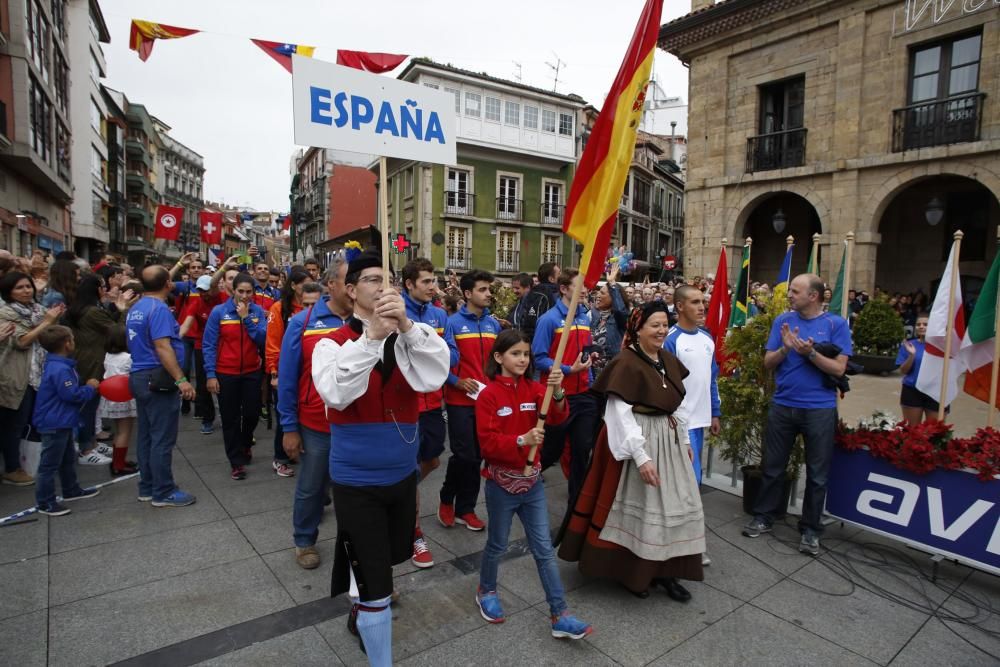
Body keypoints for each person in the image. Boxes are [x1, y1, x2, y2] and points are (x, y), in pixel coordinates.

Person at [311, 250, 449, 665]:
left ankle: (361, 605)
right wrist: (370, 337)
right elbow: (336, 393)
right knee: (377, 586)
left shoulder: (413, 337)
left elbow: (435, 373)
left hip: (401, 475)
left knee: (385, 562)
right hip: (357, 482)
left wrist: (404, 325)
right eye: (372, 279)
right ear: (351, 291)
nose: (382, 286)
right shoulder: (329, 344)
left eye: (387, 279)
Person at [558, 301, 705, 601]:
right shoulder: (626, 362)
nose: (662, 330)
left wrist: (686, 443)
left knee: (672, 509)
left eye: (665, 324)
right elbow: (620, 415)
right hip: (638, 441)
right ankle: (633, 573)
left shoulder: (666, 358)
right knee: (639, 510)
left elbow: (679, 405)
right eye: (655, 325)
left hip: (669, 441)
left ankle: (667, 572)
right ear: (638, 328)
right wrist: (641, 457)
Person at [474, 329, 593, 639]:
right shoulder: (488, 395)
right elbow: (487, 444)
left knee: (542, 549)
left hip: (533, 483)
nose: (523, 359)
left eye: (526, 354)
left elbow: (557, 417)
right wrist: (520, 440)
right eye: (516, 354)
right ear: (499, 358)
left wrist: (557, 393)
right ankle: (486, 590)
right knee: (497, 544)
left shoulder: (535, 388)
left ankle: (559, 613)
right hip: (501, 485)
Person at [743, 274, 851, 556]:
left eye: (795, 291)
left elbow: (840, 369)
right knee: (773, 466)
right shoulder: (783, 321)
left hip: (819, 409)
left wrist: (811, 354)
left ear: (813, 296)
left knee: (817, 474)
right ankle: (764, 516)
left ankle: (811, 530)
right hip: (783, 405)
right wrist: (785, 349)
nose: (789, 295)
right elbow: (768, 362)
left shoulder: (836, 324)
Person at [278, 259, 351, 570]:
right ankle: (304, 539)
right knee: (312, 486)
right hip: (316, 424)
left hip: (357, 425)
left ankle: (358, 548)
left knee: (356, 491)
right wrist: (289, 427)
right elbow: (288, 378)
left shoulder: (370, 322)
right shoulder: (303, 322)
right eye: (349, 280)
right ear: (331, 284)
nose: (354, 286)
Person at [126, 265, 197, 507]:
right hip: (157, 378)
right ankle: (163, 490)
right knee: (162, 439)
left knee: (146, 436)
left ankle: (146, 486)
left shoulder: (137, 307)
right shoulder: (159, 309)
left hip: (140, 375)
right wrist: (181, 379)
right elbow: (162, 347)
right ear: (167, 282)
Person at [439, 269, 502, 532]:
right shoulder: (452, 323)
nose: (488, 294)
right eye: (482, 289)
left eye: (489, 289)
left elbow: (498, 363)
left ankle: (467, 508)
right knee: (464, 455)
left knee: (478, 456)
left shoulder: (493, 324)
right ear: (467, 294)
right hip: (459, 402)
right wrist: (457, 382)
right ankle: (446, 498)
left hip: (486, 403)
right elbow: (441, 362)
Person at [533, 269, 599, 506]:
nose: (584, 290)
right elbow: (538, 358)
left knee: (582, 448)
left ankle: (576, 503)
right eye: (578, 286)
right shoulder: (549, 319)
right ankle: (527, 475)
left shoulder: (584, 317)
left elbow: (584, 353)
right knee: (552, 449)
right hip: (558, 396)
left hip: (584, 395)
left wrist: (590, 366)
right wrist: (570, 369)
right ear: (563, 289)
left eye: (585, 286)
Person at [402, 258, 450, 568]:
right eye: (426, 282)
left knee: (432, 458)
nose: (433, 287)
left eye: (434, 281)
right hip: (407, 405)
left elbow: (449, 352)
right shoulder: (396, 312)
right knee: (408, 469)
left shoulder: (439, 313)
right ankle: (414, 533)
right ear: (409, 285)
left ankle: (398, 491)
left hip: (435, 402)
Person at [66, 274, 137, 466]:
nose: (105, 289)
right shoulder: (91, 311)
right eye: (103, 286)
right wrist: (123, 309)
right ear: (96, 289)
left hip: (86, 360)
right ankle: (86, 448)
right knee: (87, 407)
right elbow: (116, 331)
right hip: (92, 363)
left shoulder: (85, 309)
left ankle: (92, 442)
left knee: (91, 406)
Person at [31, 325, 103, 516]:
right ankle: (45, 502)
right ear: (67, 343)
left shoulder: (61, 364)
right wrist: (90, 387)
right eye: (72, 338)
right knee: (49, 465)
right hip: (54, 422)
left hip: (62, 420)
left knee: (67, 458)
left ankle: (71, 489)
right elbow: (71, 395)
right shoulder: (60, 369)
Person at [0, 272, 63, 486]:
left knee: (38, 421)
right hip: (18, 375)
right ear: (9, 291)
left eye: (28, 286)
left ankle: (36, 462)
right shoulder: (6, 312)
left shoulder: (37, 309)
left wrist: (52, 321)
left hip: (42, 373)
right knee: (15, 424)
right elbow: (22, 341)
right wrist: (46, 323)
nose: (26, 290)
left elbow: (52, 333)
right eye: (19, 287)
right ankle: (12, 467)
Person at [203, 273, 268, 481]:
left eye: (249, 292)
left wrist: (246, 318)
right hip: (226, 373)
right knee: (230, 419)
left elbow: (262, 340)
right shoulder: (219, 312)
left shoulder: (258, 312)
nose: (245, 296)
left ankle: (246, 444)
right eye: (241, 291)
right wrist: (210, 374)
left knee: (251, 413)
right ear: (234, 290)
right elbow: (209, 344)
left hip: (251, 372)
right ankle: (236, 461)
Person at [663, 286, 721, 486]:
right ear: (679, 306)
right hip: (680, 423)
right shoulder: (670, 340)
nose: (702, 307)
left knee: (692, 480)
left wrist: (715, 412)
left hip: (700, 420)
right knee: (690, 479)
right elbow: (667, 386)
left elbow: (711, 378)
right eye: (695, 302)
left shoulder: (707, 338)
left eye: (702, 302)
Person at [265, 267, 310, 478]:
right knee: (286, 414)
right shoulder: (279, 308)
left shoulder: (317, 307)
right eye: (304, 283)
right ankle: (280, 458)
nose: (308, 286)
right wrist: (275, 373)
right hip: (286, 372)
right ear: (293, 285)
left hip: (309, 372)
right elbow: (273, 343)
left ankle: (298, 451)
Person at [99, 324, 138, 475]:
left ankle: (118, 460)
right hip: (124, 398)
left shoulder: (108, 355)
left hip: (111, 397)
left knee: (119, 431)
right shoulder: (128, 358)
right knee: (124, 432)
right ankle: (119, 465)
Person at [897, 313, 939, 423]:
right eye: (918, 324)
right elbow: (903, 371)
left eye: (925, 324)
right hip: (912, 390)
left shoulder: (942, 346)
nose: (921, 326)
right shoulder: (909, 345)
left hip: (935, 391)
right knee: (912, 431)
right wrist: (912, 355)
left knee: (936, 432)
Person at [589, 274, 629, 375]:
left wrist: (612, 284)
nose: (597, 295)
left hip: (613, 373)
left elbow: (620, 311)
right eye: (598, 292)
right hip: (594, 374)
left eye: (602, 293)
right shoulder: (596, 318)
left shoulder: (618, 319)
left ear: (613, 298)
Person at [510, 272, 551, 341]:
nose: (514, 291)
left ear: (528, 287)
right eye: (513, 288)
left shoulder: (539, 300)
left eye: (517, 288)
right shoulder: (520, 302)